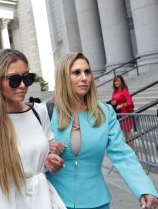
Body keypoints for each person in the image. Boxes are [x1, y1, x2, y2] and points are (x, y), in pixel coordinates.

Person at [46, 52, 158, 209]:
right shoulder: (46, 113)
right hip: (54, 201)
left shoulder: (105, 112)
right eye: (76, 72)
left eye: (87, 72)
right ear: (63, 77)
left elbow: (122, 154)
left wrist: (145, 188)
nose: (84, 77)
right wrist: (45, 151)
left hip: (97, 202)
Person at [0, 49, 65, 209]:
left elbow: (43, 156)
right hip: (5, 203)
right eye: (14, 79)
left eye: (27, 77)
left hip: (43, 199)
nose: (23, 85)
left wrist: (52, 161)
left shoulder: (39, 111)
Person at [110, 75, 135, 149]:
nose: (116, 82)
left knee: (128, 131)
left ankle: (133, 149)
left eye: (118, 81)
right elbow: (112, 101)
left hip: (125, 113)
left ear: (121, 82)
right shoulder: (115, 91)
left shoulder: (124, 91)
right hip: (119, 114)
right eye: (115, 81)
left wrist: (121, 105)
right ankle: (129, 149)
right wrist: (113, 103)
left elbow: (130, 102)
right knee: (124, 132)